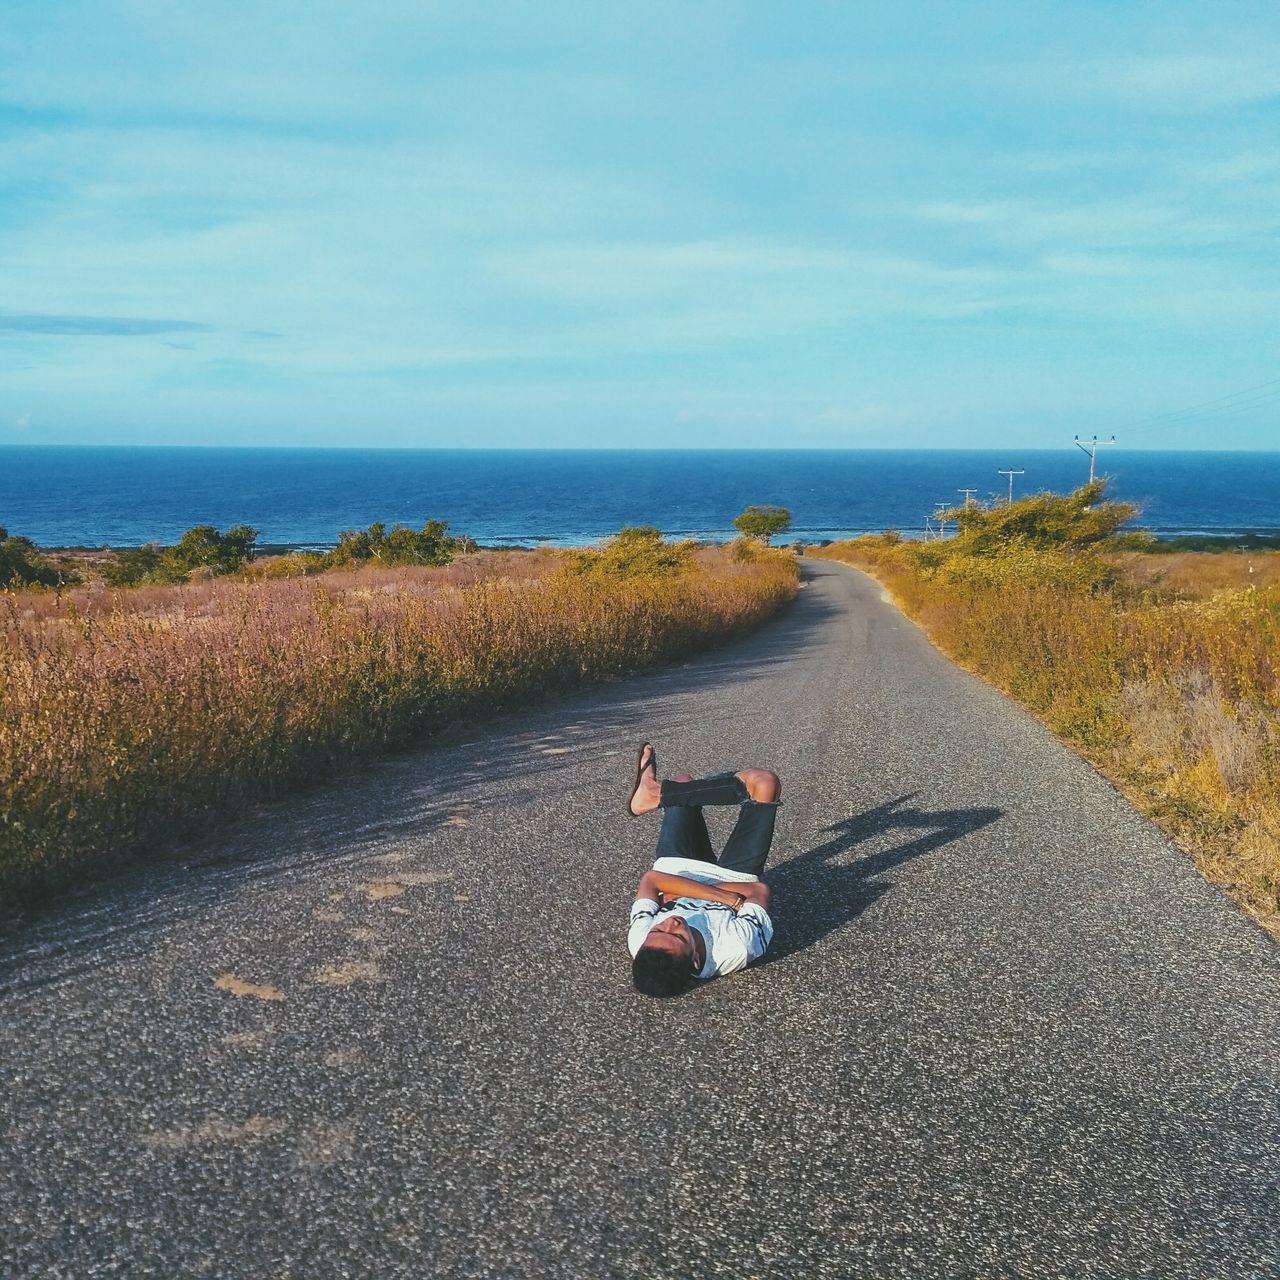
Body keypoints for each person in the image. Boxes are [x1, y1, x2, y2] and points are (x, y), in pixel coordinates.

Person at [625, 743, 780, 997]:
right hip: (735, 875)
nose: (671, 923)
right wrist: (675, 888)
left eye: (658, 928)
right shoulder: (735, 947)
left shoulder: (640, 942)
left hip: (679, 867)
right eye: (679, 936)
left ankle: (659, 794)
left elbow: (650, 879)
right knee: (765, 782)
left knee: (683, 782)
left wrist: (726, 899)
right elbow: (759, 890)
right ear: (696, 960)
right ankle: (658, 795)